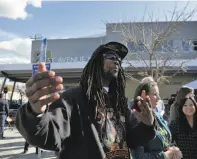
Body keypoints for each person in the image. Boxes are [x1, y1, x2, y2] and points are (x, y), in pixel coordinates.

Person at [16, 42, 156, 159]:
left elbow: (133, 140)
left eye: (119, 59)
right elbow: (48, 136)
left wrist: (147, 125)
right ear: (96, 62)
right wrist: (34, 113)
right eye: (111, 56)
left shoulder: (119, 102)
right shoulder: (72, 98)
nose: (116, 61)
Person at [130, 77, 183, 159]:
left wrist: (173, 149)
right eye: (155, 94)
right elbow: (139, 156)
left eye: (158, 94)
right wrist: (165, 155)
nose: (159, 98)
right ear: (143, 96)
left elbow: (166, 139)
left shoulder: (157, 115)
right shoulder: (136, 119)